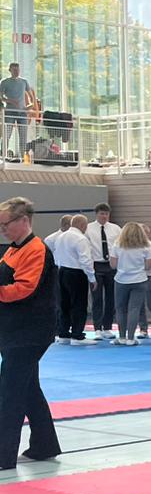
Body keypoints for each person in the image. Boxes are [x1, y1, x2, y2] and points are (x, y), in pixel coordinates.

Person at [0, 197, 60, 471]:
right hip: (15, 330)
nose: (3, 229)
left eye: (6, 224)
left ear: (24, 220)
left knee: (10, 392)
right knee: (27, 389)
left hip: (30, 333)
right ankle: (44, 445)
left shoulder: (36, 249)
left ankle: (4, 455)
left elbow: (24, 289)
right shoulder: (13, 250)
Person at [108, 222, 151, 345]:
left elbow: (113, 265)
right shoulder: (146, 247)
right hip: (139, 280)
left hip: (121, 280)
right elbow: (148, 266)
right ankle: (131, 338)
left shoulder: (117, 246)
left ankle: (122, 337)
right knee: (134, 309)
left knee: (120, 309)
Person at [55, 215, 93, 345]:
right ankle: (77, 335)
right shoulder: (81, 239)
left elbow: (56, 255)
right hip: (77, 273)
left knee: (64, 304)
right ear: (82, 225)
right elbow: (85, 260)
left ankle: (63, 333)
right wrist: (92, 277)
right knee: (79, 304)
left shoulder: (60, 237)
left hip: (62, 271)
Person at [84, 203, 118, 340]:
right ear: (96, 214)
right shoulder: (88, 229)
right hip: (96, 265)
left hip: (111, 265)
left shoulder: (116, 229)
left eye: (106, 214)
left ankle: (107, 327)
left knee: (111, 298)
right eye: (102, 213)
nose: (104, 216)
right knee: (97, 298)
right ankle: (97, 327)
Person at [1, 63, 31, 158]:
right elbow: (1, 97)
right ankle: (3, 157)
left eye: (18, 70)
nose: (16, 72)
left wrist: (30, 105)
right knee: (6, 135)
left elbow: (30, 95)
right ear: (10, 70)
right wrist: (10, 101)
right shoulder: (5, 82)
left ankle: (24, 159)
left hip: (22, 112)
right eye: (14, 70)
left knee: (23, 137)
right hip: (9, 112)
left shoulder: (24, 82)